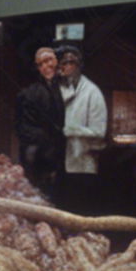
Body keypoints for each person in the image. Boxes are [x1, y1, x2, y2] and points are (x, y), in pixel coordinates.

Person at [55, 45, 107, 211]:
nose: (67, 67)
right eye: (63, 63)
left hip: (83, 163)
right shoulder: (60, 89)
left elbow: (99, 131)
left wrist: (71, 130)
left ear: (79, 65)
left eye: (71, 62)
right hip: (60, 162)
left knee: (81, 210)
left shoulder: (92, 92)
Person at [15, 46, 64, 196]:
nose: (45, 66)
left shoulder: (69, 85)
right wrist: (48, 140)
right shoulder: (30, 94)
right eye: (40, 64)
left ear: (57, 61)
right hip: (44, 152)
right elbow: (23, 128)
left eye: (48, 60)